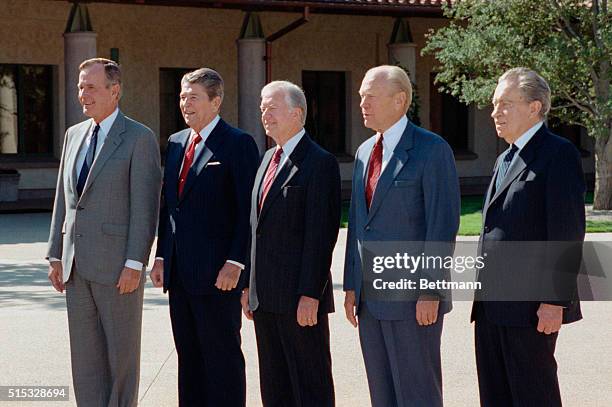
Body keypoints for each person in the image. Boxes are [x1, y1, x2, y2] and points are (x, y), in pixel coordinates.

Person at [343, 65, 460, 407]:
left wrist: (430, 290)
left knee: (417, 393)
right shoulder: (365, 152)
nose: (362, 102)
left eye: (370, 96)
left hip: (413, 301)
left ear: (399, 100)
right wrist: (352, 286)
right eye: (361, 95)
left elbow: (442, 226)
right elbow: (357, 223)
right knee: (382, 394)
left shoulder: (431, 150)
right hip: (370, 300)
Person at [46, 58, 161, 407]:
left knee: (121, 356)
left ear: (115, 91)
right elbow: (64, 200)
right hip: (75, 266)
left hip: (117, 268)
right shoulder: (74, 135)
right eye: (80, 86)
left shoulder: (139, 138)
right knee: (85, 357)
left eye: (91, 87)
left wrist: (134, 262)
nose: (83, 94)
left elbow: (145, 206)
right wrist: (55, 254)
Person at [471, 67, 585, 407]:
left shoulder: (557, 154)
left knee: (533, 394)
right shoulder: (504, 158)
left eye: (505, 104)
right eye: (494, 104)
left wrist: (554, 301)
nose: (495, 113)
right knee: (496, 395)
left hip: (530, 307)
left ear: (534, 107)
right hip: (491, 304)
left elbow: (567, 233)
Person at [150, 67, 259, 406]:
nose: (185, 103)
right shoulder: (176, 142)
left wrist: (236, 263)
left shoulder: (238, 144)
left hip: (219, 276)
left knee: (222, 358)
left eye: (193, 97)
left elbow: (247, 212)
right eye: (182, 96)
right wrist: (162, 256)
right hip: (180, 275)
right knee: (189, 357)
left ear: (216, 101)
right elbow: (170, 206)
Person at [241, 80, 341, 407]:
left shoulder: (319, 162)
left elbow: (321, 235)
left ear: (296, 114)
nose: (263, 114)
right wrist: (248, 287)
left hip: (300, 299)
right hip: (264, 299)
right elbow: (255, 228)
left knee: (310, 386)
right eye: (261, 107)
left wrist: (311, 293)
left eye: (271, 107)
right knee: (275, 386)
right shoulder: (267, 158)